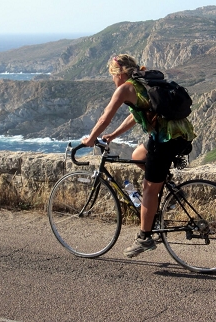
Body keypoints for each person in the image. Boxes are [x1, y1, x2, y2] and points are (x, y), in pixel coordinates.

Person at [81, 54, 195, 258]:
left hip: (165, 139)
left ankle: (145, 238)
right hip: (179, 134)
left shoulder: (125, 88)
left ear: (120, 74)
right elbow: (136, 115)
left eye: (112, 77)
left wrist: (91, 138)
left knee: (148, 189)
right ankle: (173, 192)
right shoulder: (142, 83)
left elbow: (105, 117)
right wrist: (113, 135)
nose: (113, 81)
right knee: (138, 154)